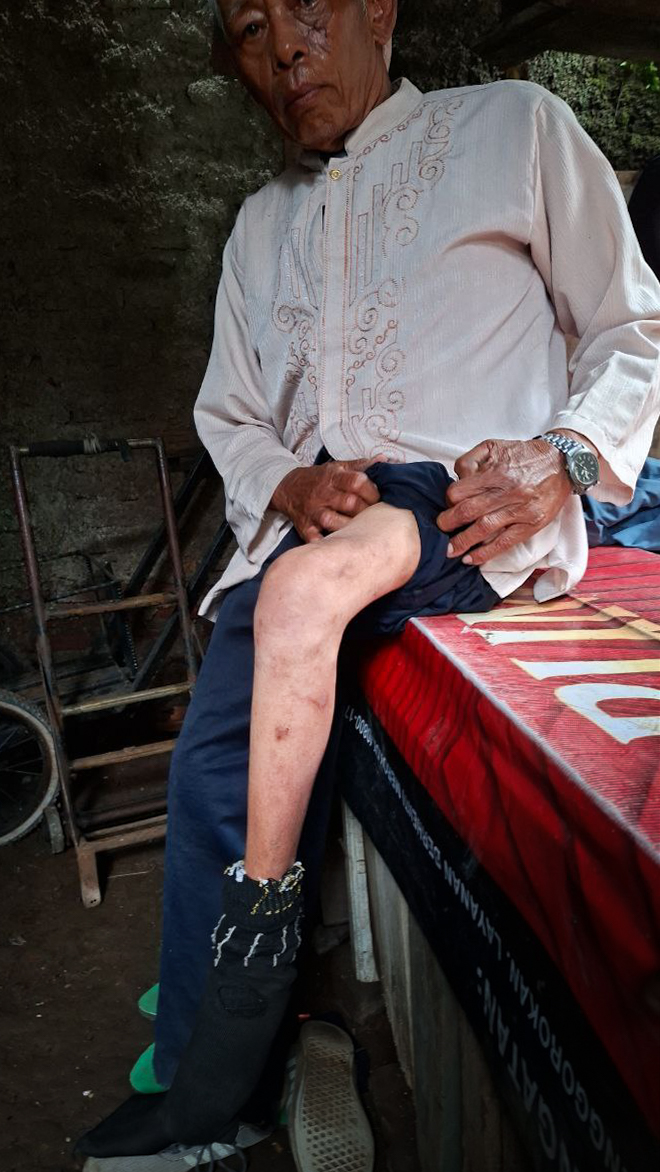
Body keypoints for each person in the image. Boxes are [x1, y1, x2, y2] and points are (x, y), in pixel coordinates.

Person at [75, 0, 660, 1163]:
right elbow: (232, 414)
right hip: (319, 524)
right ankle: (216, 1032)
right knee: (209, 763)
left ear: (379, 13)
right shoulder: (259, 224)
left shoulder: (515, 127)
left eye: (307, 6)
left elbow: (634, 326)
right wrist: (288, 480)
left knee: (302, 605)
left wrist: (564, 456)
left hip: (461, 500)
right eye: (251, 28)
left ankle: (222, 1069)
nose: (285, 45)